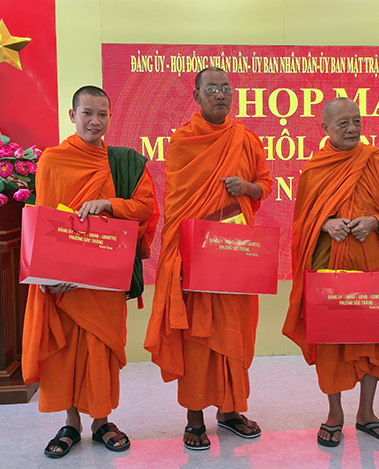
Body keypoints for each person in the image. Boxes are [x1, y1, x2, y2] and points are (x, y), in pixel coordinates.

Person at [21, 85, 158, 457]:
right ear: (72, 115)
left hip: (103, 278)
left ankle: (101, 422)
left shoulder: (124, 162)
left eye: (102, 114)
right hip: (64, 281)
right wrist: (49, 276)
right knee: (64, 352)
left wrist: (110, 204)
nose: (95, 121)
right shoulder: (53, 160)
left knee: (100, 351)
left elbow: (145, 207)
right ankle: (71, 423)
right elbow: (46, 220)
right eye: (87, 113)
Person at [144, 67, 273, 451]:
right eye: (212, 88)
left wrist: (246, 186)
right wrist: (180, 259)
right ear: (197, 96)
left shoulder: (245, 139)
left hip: (235, 256)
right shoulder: (183, 140)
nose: (220, 94)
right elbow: (177, 203)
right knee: (198, 338)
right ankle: (195, 418)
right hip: (197, 256)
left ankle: (230, 411)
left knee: (234, 331)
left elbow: (265, 185)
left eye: (226, 88)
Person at [284, 97, 379, 447]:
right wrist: (325, 224)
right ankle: (334, 414)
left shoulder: (378, 162)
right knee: (331, 341)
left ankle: (366, 413)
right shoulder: (314, 170)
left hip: (372, 266)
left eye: (357, 121)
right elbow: (301, 224)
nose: (352, 129)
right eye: (343, 124)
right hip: (330, 270)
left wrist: (376, 221)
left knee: (373, 338)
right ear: (325, 128)